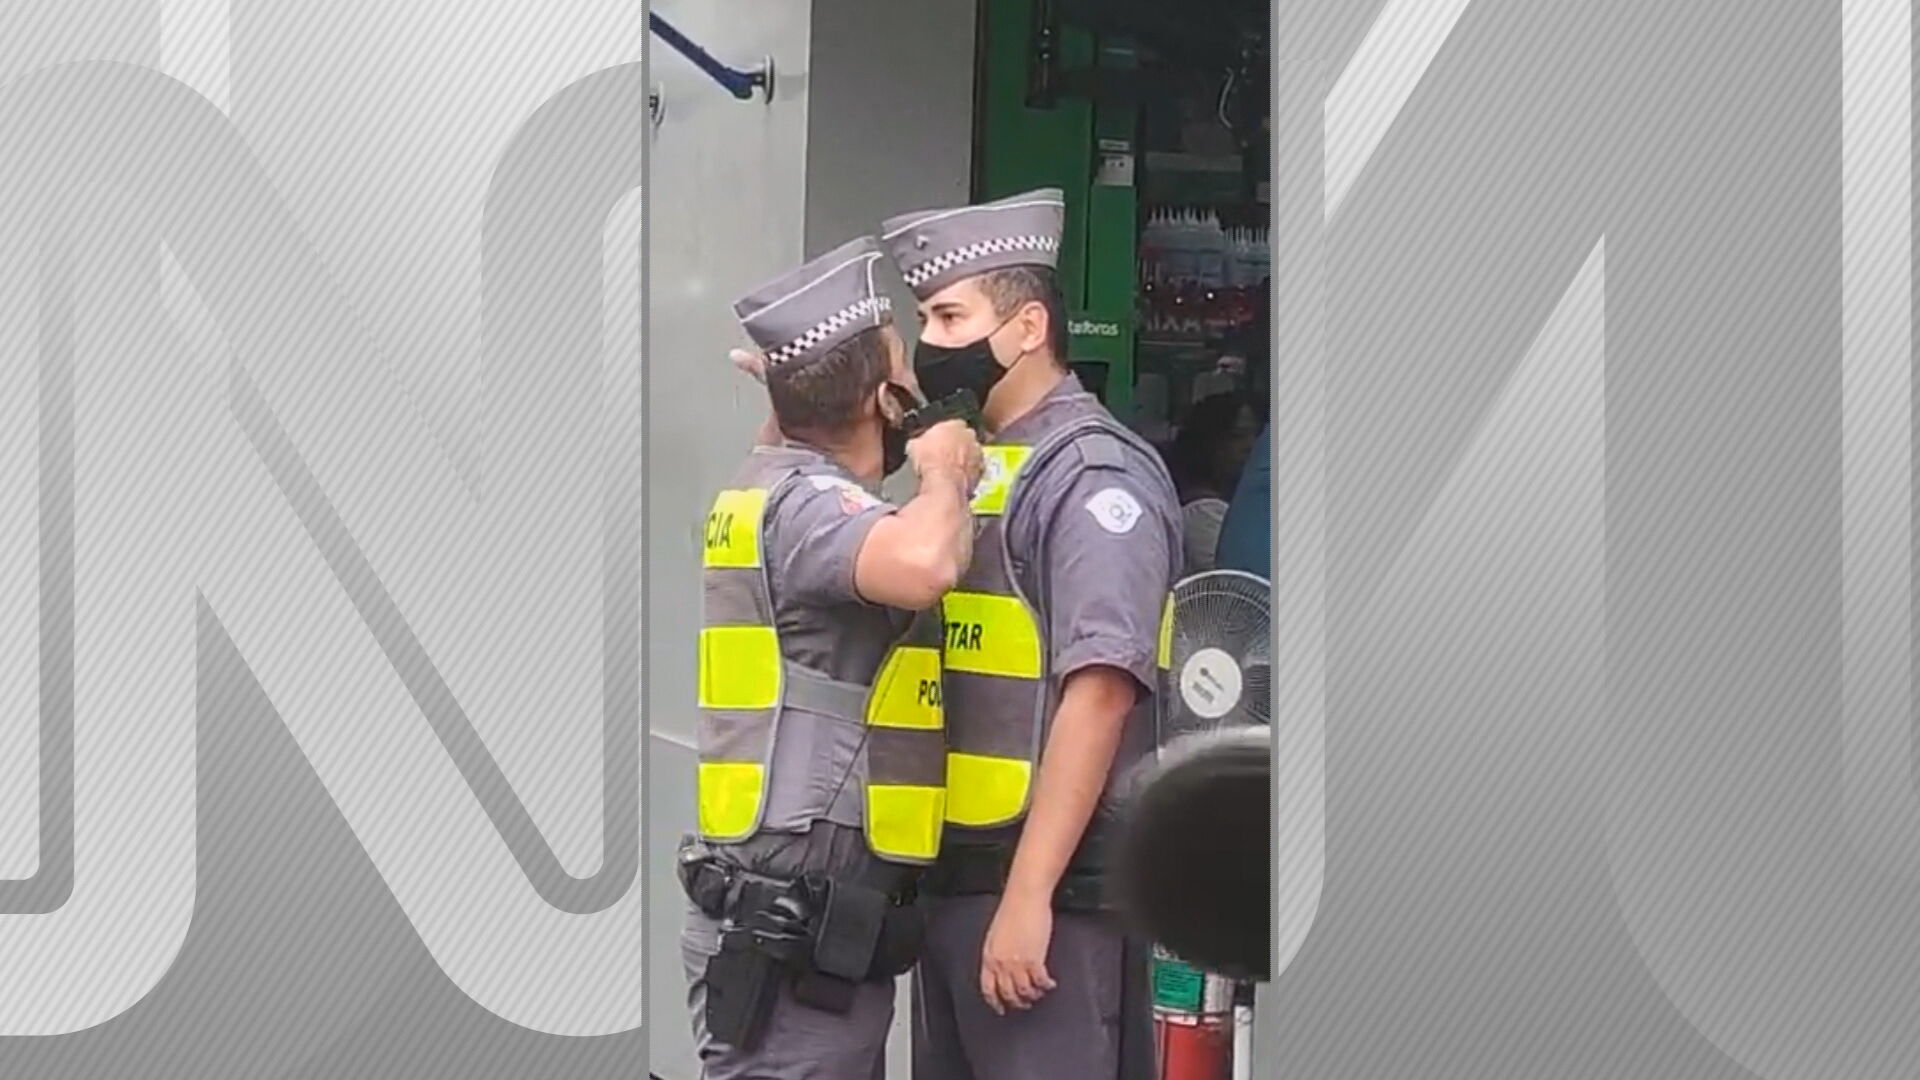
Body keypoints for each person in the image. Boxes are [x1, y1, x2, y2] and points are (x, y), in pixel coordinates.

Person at [878, 188, 1181, 1080]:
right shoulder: (975, 465)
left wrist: (1028, 896)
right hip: (962, 885)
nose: (933, 341)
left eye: (949, 315)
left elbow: (1101, 690)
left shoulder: (1092, 478)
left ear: (1027, 326)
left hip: (1049, 898)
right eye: (925, 318)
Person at [679, 236, 986, 1080]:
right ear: (882, 400)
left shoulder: (769, 480)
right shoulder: (812, 511)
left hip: (803, 924)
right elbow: (924, 565)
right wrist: (944, 471)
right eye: (902, 367)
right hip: (792, 936)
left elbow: (808, 431)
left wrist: (796, 382)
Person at [1166, 391, 1261, 576]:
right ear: (1210, 442)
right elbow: (1239, 581)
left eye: (1255, 435)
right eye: (1237, 436)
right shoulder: (1203, 513)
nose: (1250, 445)